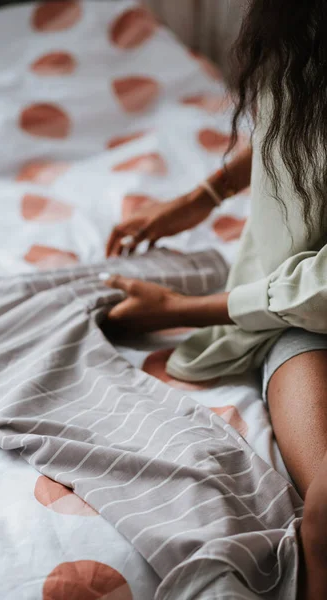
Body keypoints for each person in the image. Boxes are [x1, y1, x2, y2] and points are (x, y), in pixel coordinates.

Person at [104, 1, 327, 598]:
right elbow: (300, 123)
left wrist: (177, 310)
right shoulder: (302, 29)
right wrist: (205, 193)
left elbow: (318, 288)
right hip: (301, 324)